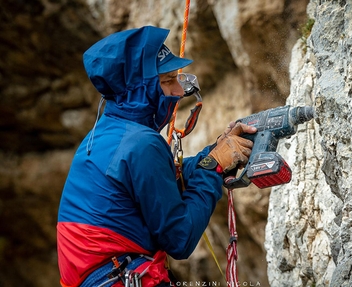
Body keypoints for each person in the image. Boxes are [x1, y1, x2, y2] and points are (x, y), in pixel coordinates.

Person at [57, 25, 256, 287]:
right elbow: (180, 239)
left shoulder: (105, 134)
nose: (177, 91)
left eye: (176, 79)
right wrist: (214, 166)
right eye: (166, 81)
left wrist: (214, 152)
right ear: (140, 89)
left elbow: (157, 181)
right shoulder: (141, 144)